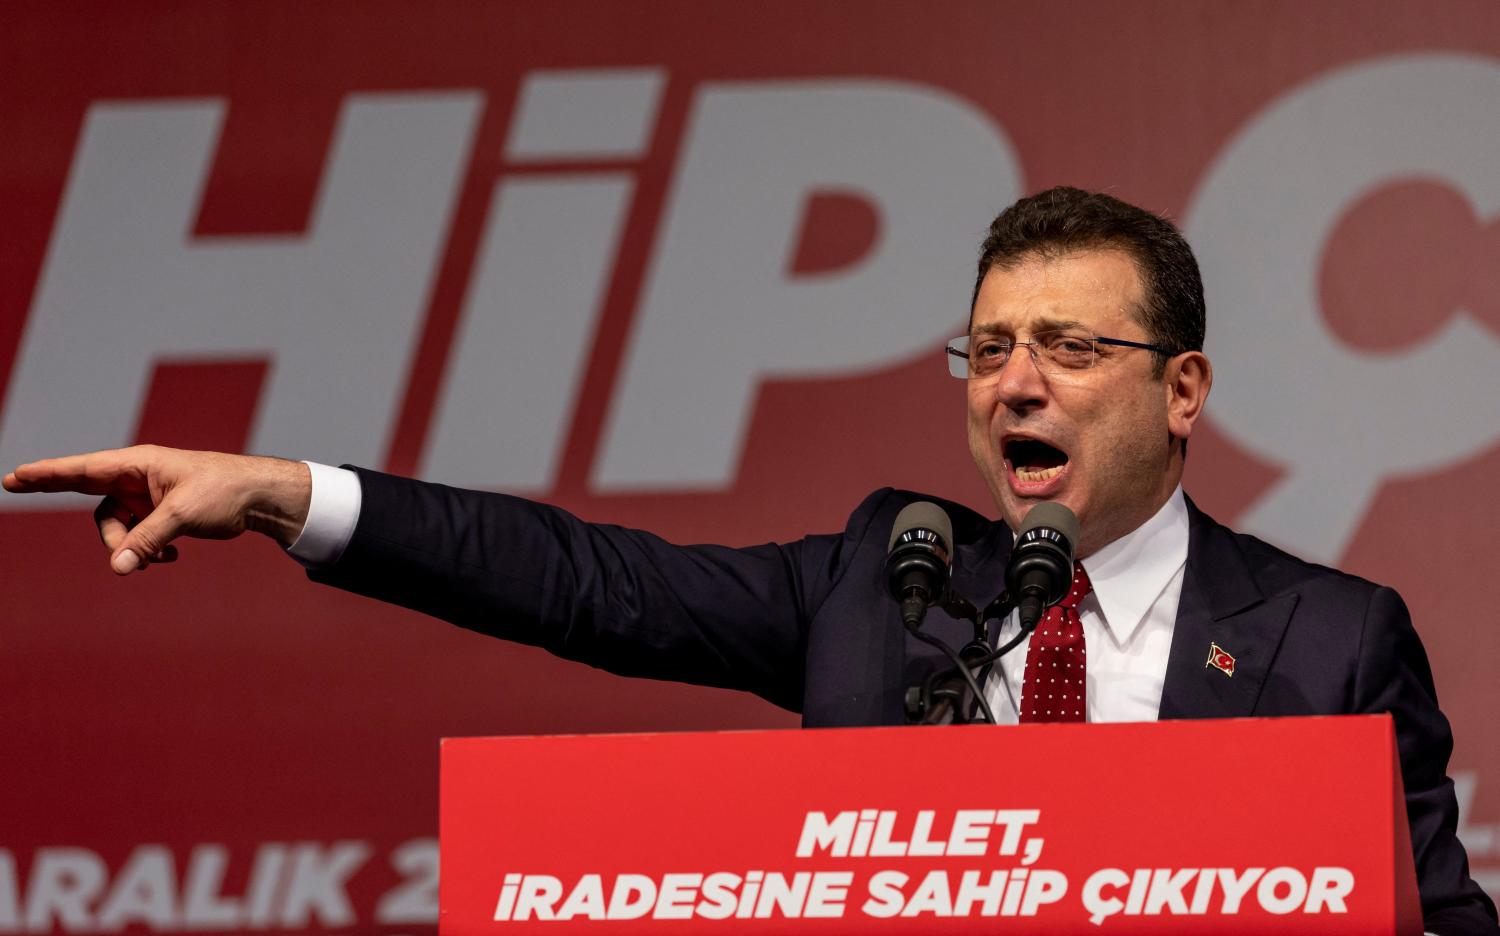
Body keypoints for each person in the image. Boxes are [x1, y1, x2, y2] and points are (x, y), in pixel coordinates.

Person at [5, 187, 1495, 932]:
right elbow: (584, 578)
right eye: (987, 348)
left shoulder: (1328, 640)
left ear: (1184, 392)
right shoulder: (882, 582)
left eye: (1070, 347)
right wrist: (283, 493)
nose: (1015, 383)